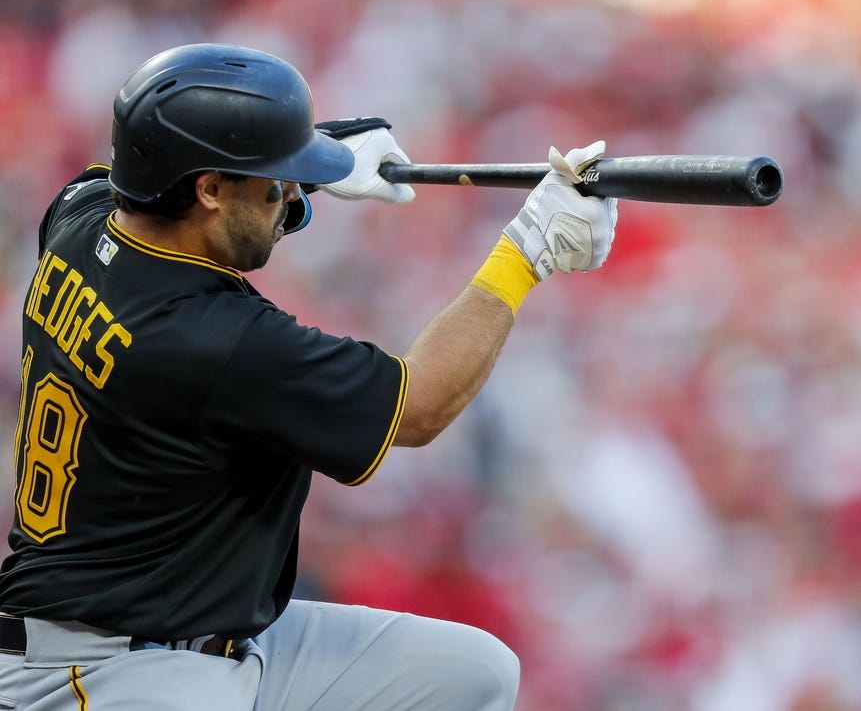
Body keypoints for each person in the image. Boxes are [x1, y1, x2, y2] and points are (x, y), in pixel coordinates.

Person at [0, 43, 618, 710]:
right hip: (107, 668)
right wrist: (524, 252)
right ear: (207, 188)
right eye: (274, 180)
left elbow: (156, 187)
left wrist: (308, 159)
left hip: (205, 627)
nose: (288, 192)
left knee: (476, 673)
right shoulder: (215, 340)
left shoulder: (81, 219)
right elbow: (418, 406)